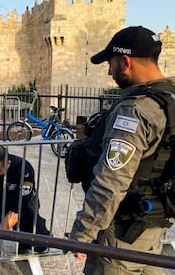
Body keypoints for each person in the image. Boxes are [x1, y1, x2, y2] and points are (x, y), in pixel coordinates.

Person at [70, 26, 175, 274]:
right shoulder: (170, 100)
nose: (109, 71)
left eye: (111, 63)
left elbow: (111, 181)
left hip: (120, 237)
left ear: (125, 61)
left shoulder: (136, 110)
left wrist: (83, 233)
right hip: (154, 228)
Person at [0, 145, 50, 256]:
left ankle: (24, 244)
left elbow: (16, 211)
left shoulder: (24, 168)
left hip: (20, 205)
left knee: (42, 242)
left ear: (8, 164)